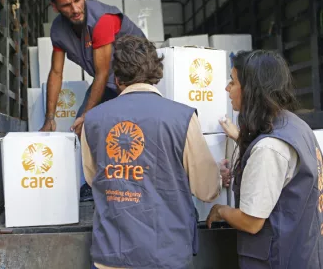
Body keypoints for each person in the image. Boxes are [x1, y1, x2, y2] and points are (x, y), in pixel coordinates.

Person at [81, 35, 230, 269]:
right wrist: (217, 175)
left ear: (117, 78)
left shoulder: (92, 121)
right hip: (167, 256)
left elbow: (94, 179)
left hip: (111, 257)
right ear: (156, 74)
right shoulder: (183, 118)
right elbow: (206, 189)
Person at [206, 50, 323, 268]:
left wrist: (220, 210)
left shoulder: (269, 148)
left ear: (251, 90)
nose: (227, 89)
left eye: (232, 82)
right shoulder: (296, 126)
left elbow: (251, 222)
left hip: (278, 260)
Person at [39, 0, 145, 201]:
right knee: (81, 130)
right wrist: (50, 116)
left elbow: (102, 72)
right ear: (55, 7)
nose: (75, 9)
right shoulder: (58, 30)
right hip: (107, 81)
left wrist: (88, 115)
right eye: (66, 5)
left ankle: (133, 184)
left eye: (78, 0)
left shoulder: (103, 19)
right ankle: (92, 183)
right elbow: (56, 72)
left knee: (118, 132)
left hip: (135, 82)